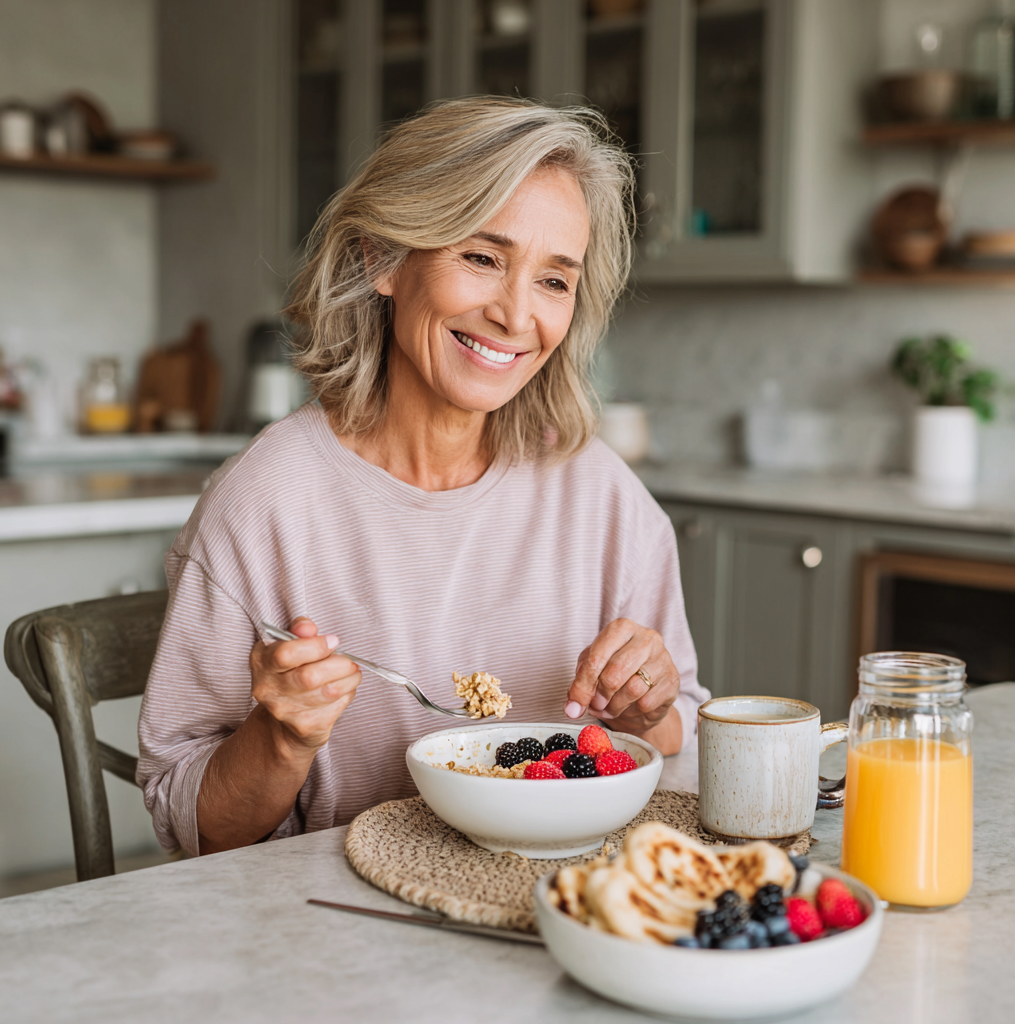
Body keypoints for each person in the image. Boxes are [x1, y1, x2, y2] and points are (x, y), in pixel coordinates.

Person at [137, 97, 709, 856]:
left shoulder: (600, 495)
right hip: (339, 929)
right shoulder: (266, 501)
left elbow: (684, 743)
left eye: (553, 280)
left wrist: (649, 712)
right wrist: (278, 739)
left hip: (563, 908)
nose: (514, 315)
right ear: (382, 258)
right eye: (481, 257)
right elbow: (193, 829)